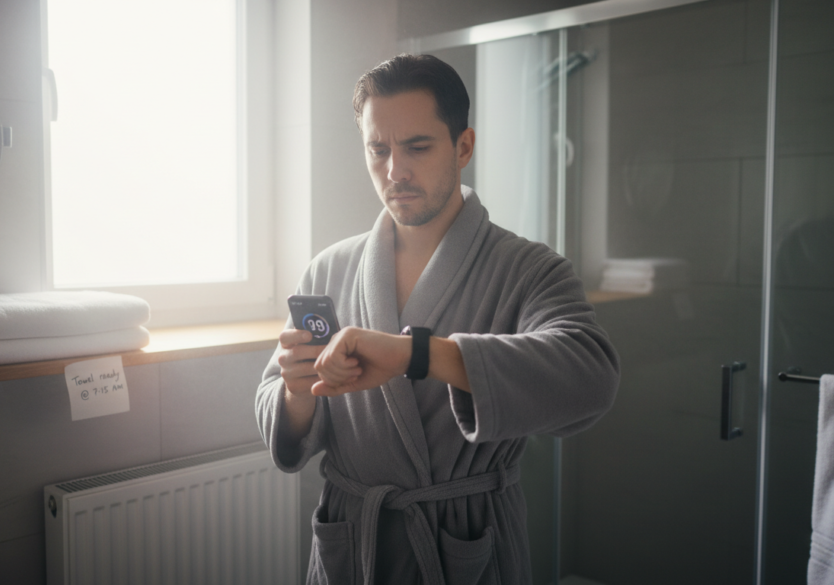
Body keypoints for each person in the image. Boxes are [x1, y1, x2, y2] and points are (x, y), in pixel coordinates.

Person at [256, 54, 620, 585]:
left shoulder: (529, 269)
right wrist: (297, 390)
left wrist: (419, 354)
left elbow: (592, 377)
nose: (394, 170)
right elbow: (279, 419)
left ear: (463, 146)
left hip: (466, 547)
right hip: (354, 545)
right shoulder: (329, 267)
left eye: (417, 147)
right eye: (377, 149)